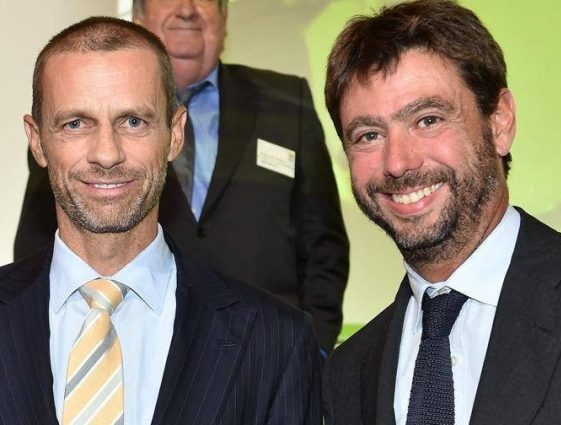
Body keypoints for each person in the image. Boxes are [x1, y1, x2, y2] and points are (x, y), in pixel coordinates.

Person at [321, 1, 561, 424]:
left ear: (499, 123)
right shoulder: (348, 374)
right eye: (369, 135)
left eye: (428, 119)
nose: (397, 162)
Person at [0, 17, 321, 424]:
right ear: (37, 141)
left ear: (175, 134)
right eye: (76, 124)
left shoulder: (275, 341)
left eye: (133, 121)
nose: (106, 153)